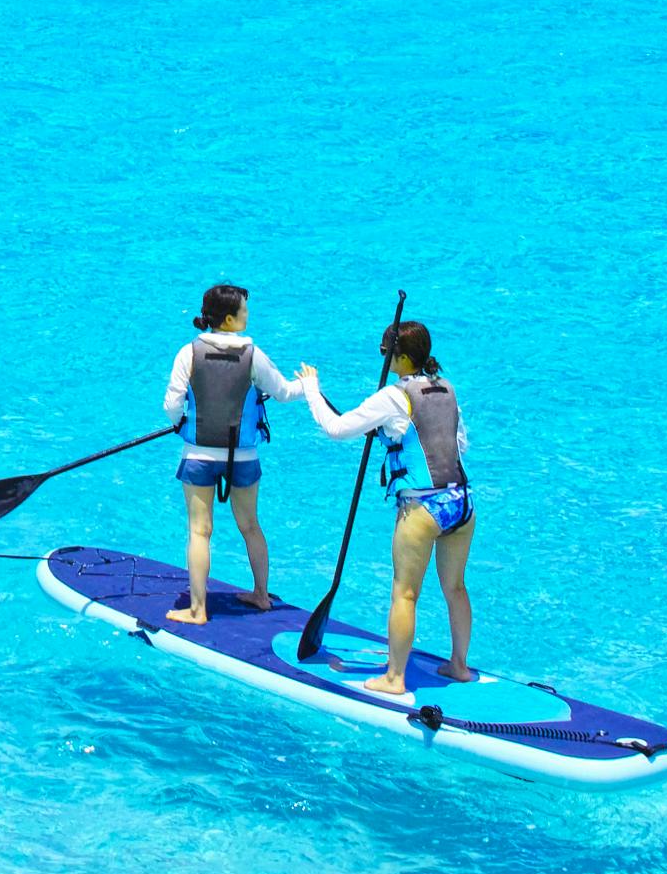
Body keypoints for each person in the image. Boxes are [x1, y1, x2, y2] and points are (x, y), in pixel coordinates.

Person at [297, 319, 478, 690]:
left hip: (422, 509)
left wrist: (311, 390)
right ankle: (459, 665)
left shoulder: (393, 397)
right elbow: (457, 444)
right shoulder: (448, 388)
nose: (384, 359)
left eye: (385, 353)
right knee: (455, 587)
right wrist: (390, 430)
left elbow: (336, 429)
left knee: (405, 592)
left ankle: (394, 678)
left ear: (400, 357)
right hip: (462, 502)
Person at [163, 285, 307, 623]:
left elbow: (171, 404)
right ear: (228, 319)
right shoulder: (254, 355)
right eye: (243, 310)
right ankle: (260, 594)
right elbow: (284, 392)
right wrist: (309, 386)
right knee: (250, 525)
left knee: (200, 530)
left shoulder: (188, 353)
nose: (248, 314)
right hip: (242, 457)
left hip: (198, 455)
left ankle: (198, 609)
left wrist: (182, 423)